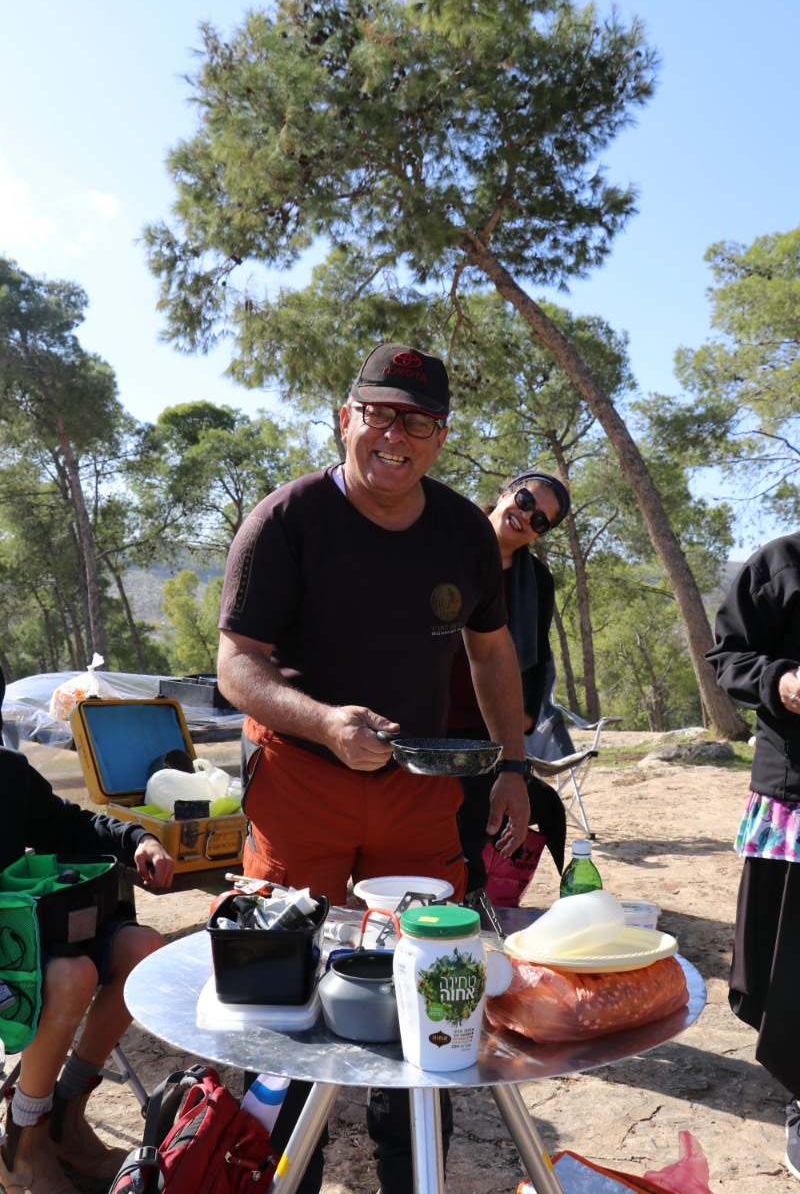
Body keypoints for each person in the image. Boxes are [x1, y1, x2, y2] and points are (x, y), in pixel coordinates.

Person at [217, 342, 530, 1194]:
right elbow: (237, 665)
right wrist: (323, 721)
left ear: (439, 438)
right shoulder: (287, 521)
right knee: (285, 981)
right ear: (344, 418)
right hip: (300, 783)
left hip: (418, 792)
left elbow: (491, 654)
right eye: (381, 413)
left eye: (419, 421)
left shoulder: (464, 530)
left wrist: (513, 767)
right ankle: (284, 1167)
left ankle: (410, 1164)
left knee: (426, 975)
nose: (397, 435)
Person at [0, 671, 175, 1194]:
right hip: (18, 951)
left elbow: (68, 824)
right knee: (74, 974)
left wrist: (138, 838)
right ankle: (21, 1144)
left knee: (146, 949)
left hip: (23, 931)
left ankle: (65, 1115)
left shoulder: (7, 774)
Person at [705, 531, 800, 1183]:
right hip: (795, 786)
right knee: (789, 957)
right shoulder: (779, 564)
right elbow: (726, 658)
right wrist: (783, 681)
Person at [448, 470, 571, 893]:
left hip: (482, 735)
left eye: (541, 522)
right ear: (505, 493)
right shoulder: (446, 542)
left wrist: (526, 715)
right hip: (422, 723)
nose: (527, 517)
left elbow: (538, 653)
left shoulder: (535, 580)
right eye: (525, 500)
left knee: (466, 853)